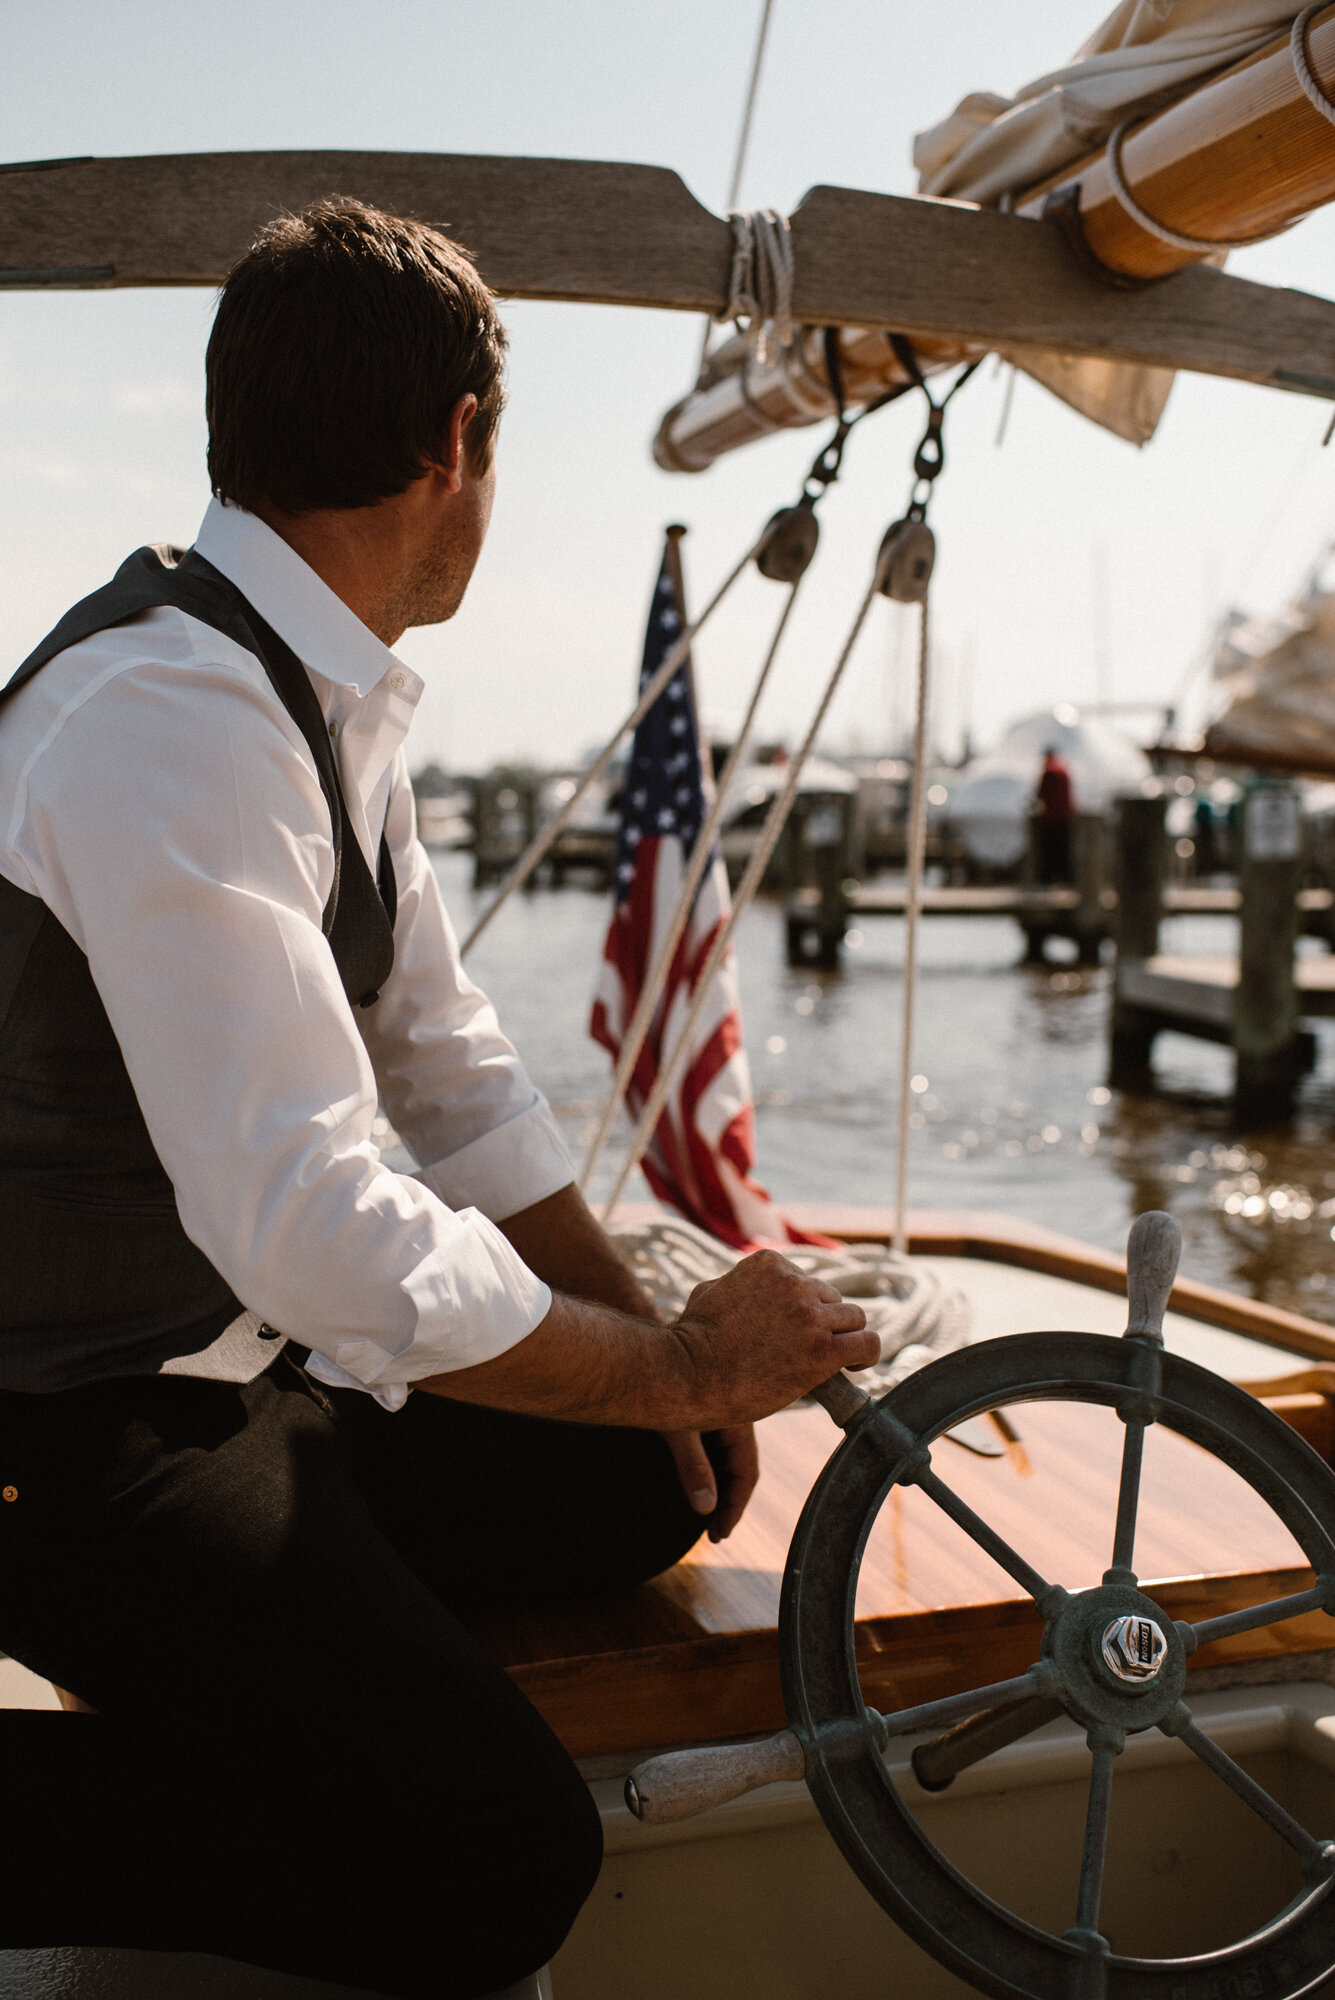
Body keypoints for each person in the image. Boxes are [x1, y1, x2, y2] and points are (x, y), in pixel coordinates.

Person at [0, 199, 877, 1999]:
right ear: (456, 440)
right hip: (69, 1431)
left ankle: (291, 1691)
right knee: (496, 1860)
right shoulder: (166, 716)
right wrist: (686, 1364)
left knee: (650, 1490)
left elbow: (450, 1077)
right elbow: (318, 1225)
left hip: (240, 1369)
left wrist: (656, 1374)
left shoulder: (312, 686)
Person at [1034, 744, 1076, 885]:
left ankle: (1047, 879)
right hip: (1065, 816)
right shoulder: (1064, 770)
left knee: (1049, 850)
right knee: (1064, 849)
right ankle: (1066, 878)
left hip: (1051, 817)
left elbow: (1040, 794)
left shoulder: (1049, 771)